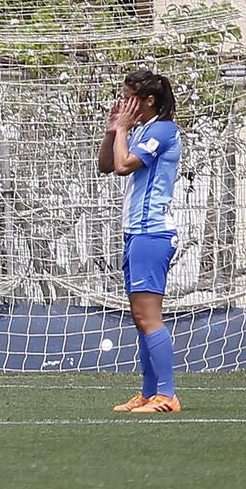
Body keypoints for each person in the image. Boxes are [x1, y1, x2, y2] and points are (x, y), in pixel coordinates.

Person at [99, 69, 183, 414]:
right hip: (136, 233)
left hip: (153, 233)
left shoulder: (163, 130)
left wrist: (122, 131)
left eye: (129, 96)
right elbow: (106, 164)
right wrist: (111, 132)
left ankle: (167, 395)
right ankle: (149, 393)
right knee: (139, 316)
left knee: (149, 316)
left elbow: (123, 167)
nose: (123, 102)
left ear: (149, 101)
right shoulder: (144, 130)